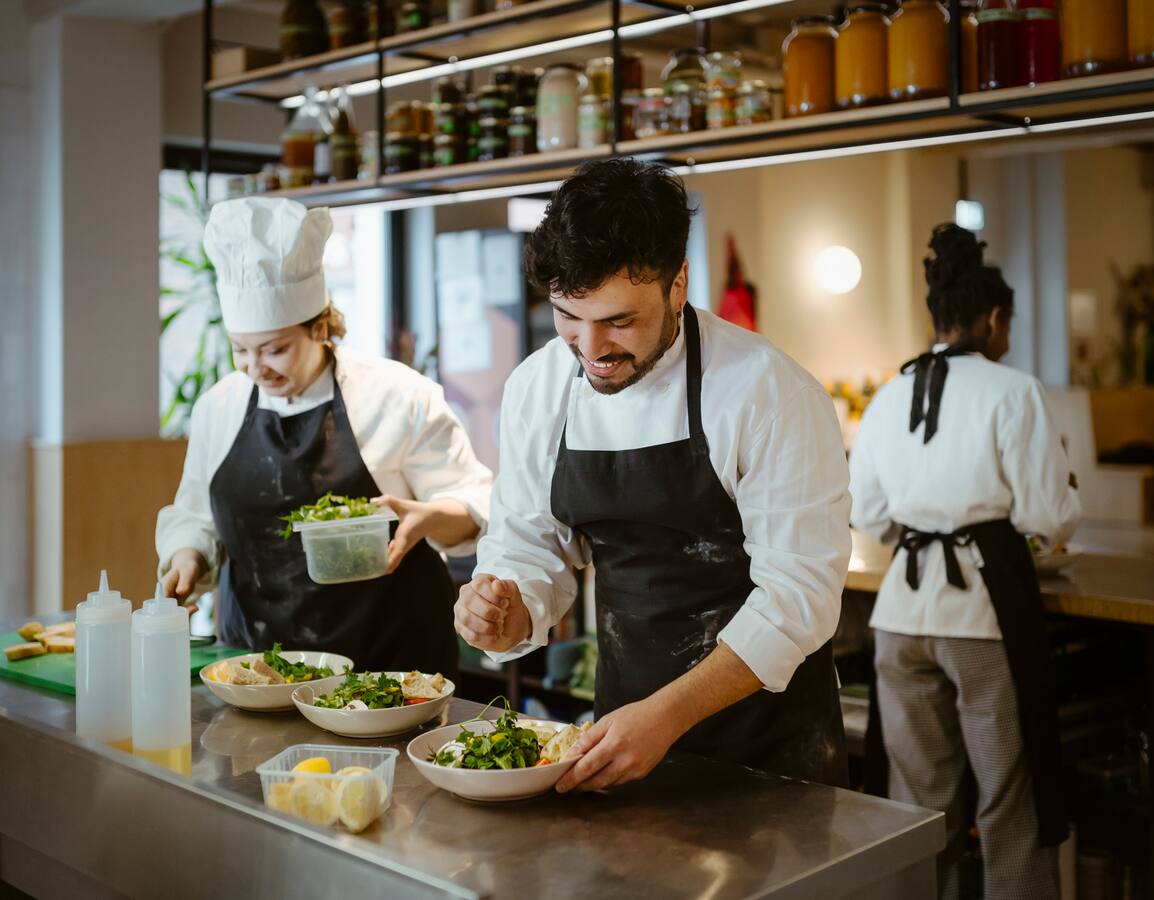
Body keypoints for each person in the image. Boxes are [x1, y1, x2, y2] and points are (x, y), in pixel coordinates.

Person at [455, 158, 852, 791]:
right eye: (567, 316)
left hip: (773, 753)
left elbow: (797, 597)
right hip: (621, 738)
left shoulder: (768, 393)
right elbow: (531, 543)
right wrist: (508, 611)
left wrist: (667, 716)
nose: (591, 350)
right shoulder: (537, 388)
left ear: (678, 285)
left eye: (619, 320)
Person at [156, 196, 491, 675]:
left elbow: (474, 505)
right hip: (258, 667)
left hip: (389, 670)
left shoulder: (396, 395)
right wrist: (187, 557)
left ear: (319, 327)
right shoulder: (220, 406)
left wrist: (428, 516)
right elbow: (196, 514)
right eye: (240, 350)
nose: (256, 368)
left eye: (273, 349)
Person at [849, 224, 1080, 900]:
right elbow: (1049, 516)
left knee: (919, 809)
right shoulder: (1014, 392)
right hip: (983, 617)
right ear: (996, 318)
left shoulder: (888, 396)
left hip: (898, 617)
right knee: (1009, 801)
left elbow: (869, 514)